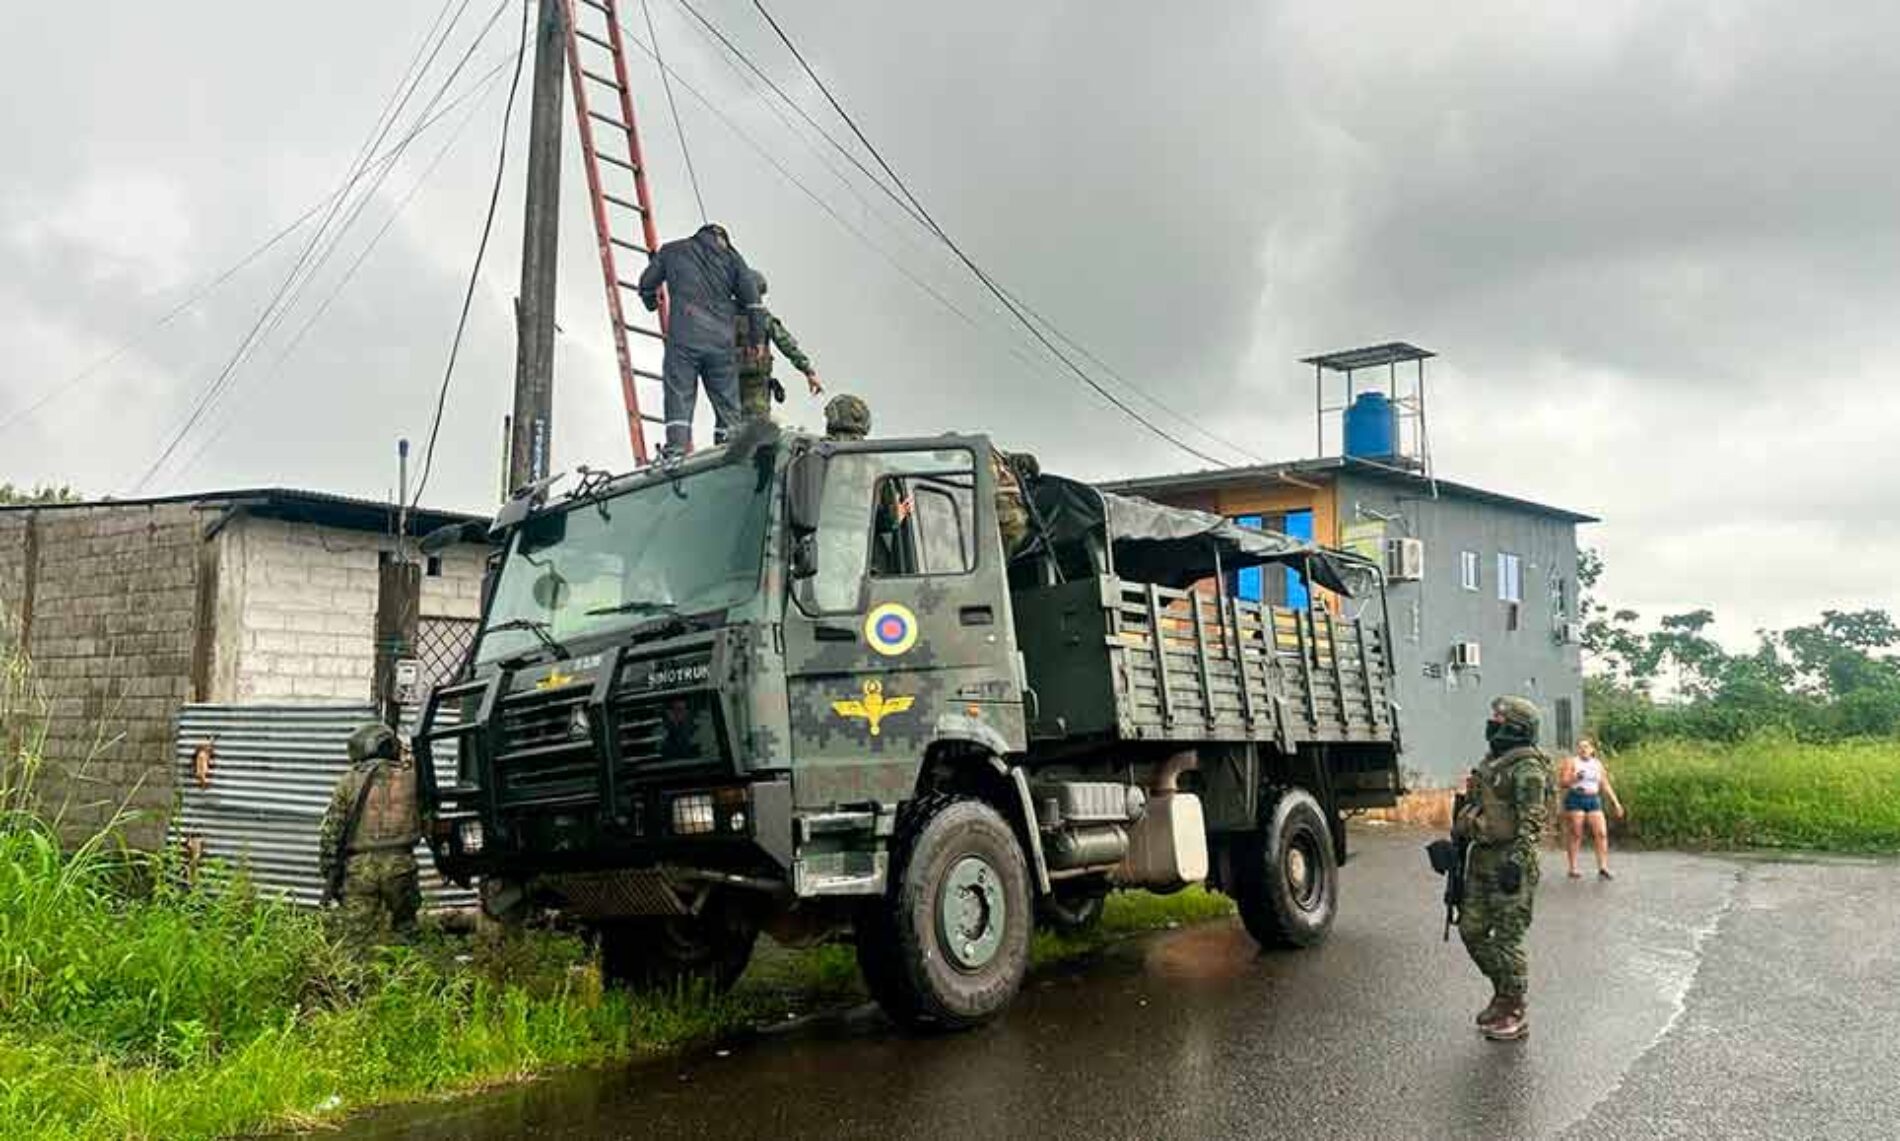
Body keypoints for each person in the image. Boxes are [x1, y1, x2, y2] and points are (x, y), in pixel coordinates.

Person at [1452, 695, 1553, 1041]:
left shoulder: (1527, 767)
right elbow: (1477, 808)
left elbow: (1533, 819)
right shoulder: (1492, 762)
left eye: (1498, 719)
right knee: (1471, 930)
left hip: (1510, 861)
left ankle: (1514, 1007)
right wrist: (1454, 845)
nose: (1492, 723)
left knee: (1509, 939)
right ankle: (1503, 991)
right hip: (1481, 857)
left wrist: (1519, 860)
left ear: (1516, 727)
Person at [636, 222, 766, 456]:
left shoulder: (672, 250)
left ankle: (676, 449)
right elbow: (754, 303)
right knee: (727, 402)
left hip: (685, 339)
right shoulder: (733, 259)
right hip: (721, 343)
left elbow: (646, 284)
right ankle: (728, 448)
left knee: (680, 393)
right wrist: (758, 341)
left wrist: (651, 303)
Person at [318, 722, 422, 946]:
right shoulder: (412, 777)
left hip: (360, 869)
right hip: (401, 865)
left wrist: (329, 871)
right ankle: (407, 977)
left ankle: (358, 979)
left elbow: (331, 831)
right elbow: (430, 817)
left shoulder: (349, 780)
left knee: (356, 939)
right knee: (406, 933)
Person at [736, 271, 823, 426]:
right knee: (757, 427)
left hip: (728, 380)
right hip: (755, 382)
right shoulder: (763, 317)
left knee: (729, 425)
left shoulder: (721, 315)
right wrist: (808, 371)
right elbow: (786, 344)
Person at [1560, 736, 1625, 880]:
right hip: (1576, 797)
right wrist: (1574, 778)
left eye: (1586, 747)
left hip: (1593, 799)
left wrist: (1616, 803)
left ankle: (1603, 867)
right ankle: (1573, 867)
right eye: (1581, 747)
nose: (1584, 749)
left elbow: (1605, 784)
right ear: (1577, 749)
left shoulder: (1597, 764)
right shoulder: (1571, 762)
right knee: (1576, 832)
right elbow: (1563, 782)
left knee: (1601, 833)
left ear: (1592, 750)